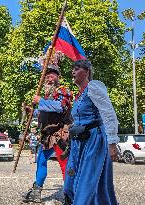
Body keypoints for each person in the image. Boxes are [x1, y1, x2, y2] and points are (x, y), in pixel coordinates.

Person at [63, 59, 119, 205]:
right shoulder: (79, 95)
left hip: (93, 141)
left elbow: (109, 114)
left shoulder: (93, 87)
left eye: (77, 69)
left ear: (86, 71)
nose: (72, 72)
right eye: (72, 69)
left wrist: (112, 143)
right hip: (78, 142)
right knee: (70, 181)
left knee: (87, 184)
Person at [23, 65, 72, 203]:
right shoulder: (46, 96)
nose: (50, 78)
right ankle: (36, 193)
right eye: (47, 76)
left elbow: (60, 107)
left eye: (53, 75)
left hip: (61, 134)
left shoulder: (63, 90)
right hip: (48, 136)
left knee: (65, 165)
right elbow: (46, 115)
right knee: (41, 161)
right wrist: (33, 111)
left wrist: (41, 102)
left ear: (58, 77)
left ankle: (70, 197)